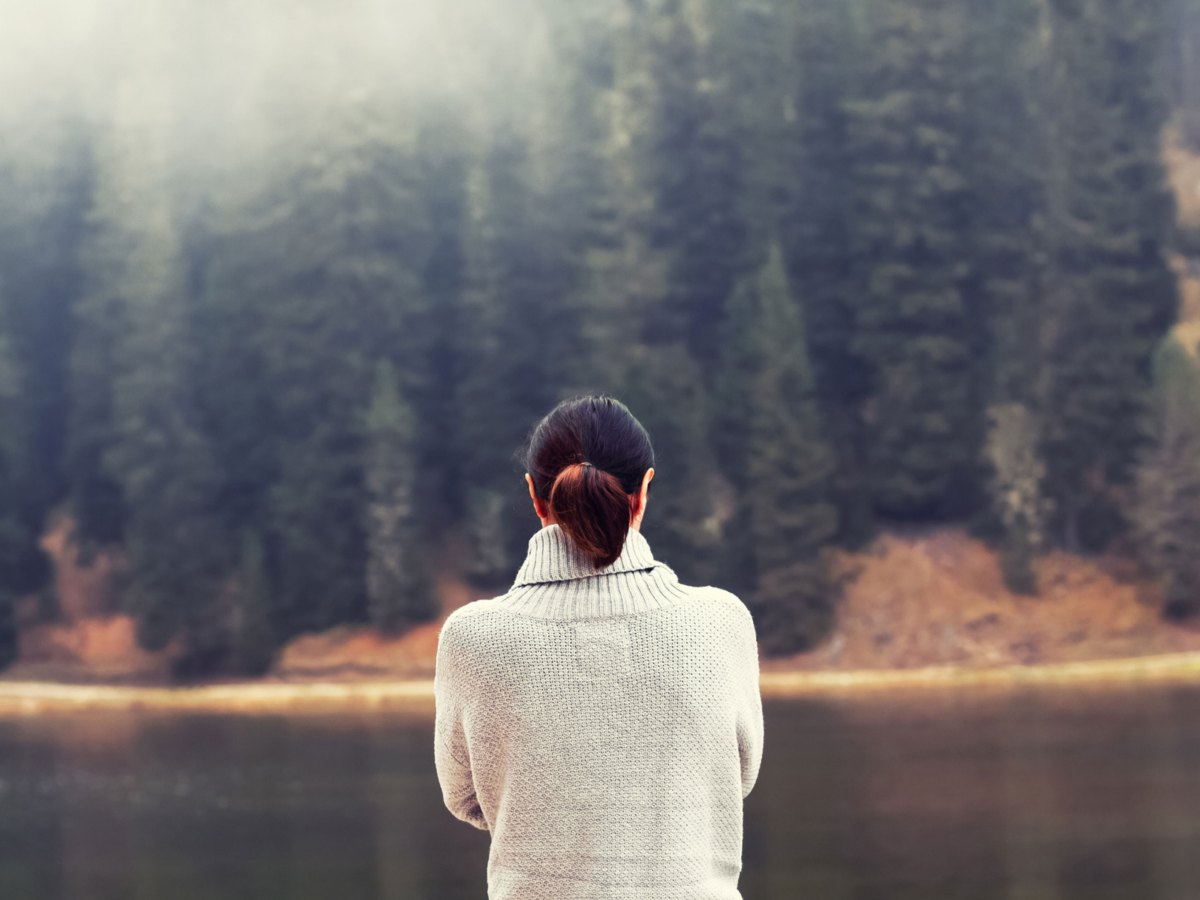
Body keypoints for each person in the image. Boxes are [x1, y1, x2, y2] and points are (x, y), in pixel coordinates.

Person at [434, 393, 764, 900]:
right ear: (644, 489)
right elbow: (734, 777)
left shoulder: (474, 638)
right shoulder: (720, 621)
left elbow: (466, 798)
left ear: (534, 495)